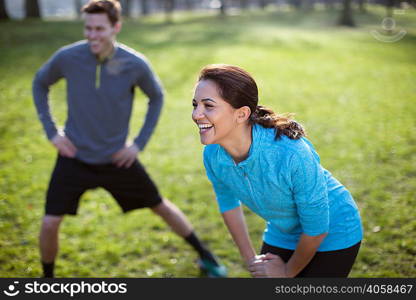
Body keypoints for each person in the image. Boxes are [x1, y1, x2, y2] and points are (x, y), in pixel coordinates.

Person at [32, 0, 226, 278]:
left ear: (116, 27)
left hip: (116, 158)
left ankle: (207, 258)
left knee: (160, 206)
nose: (92, 35)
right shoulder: (67, 57)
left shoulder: (133, 64)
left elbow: (156, 97)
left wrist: (137, 144)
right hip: (74, 156)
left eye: (100, 28)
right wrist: (52, 132)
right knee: (50, 223)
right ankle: (47, 278)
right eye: (88, 28)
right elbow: (40, 83)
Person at [191, 64, 363, 277]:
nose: (197, 114)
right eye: (195, 104)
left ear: (241, 114)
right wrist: (251, 260)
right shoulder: (212, 155)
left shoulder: (291, 153)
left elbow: (317, 229)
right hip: (283, 231)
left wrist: (286, 273)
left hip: (334, 230)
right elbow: (228, 204)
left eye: (208, 106)